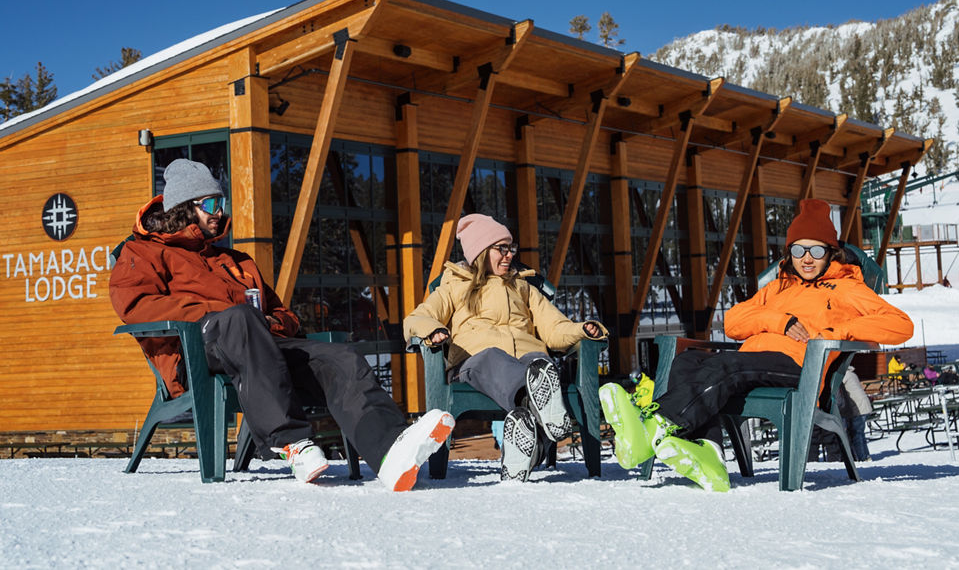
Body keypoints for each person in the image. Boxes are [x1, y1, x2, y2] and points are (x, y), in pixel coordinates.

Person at [110, 159, 454, 489]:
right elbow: (135, 305)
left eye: (221, 202)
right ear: (186, 207)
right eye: (212, 203)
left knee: (340, 358)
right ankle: (293, 443)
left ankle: (390, 450)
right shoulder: (143, 253)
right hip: (198, 353)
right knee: (239, 318)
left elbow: (285, 313)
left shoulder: (235, 261)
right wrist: (216, 312)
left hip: (263, 346)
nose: (220, 212)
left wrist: (274, 320)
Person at [600, 198, 914, 491]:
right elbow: (734, 322)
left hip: (799, 368)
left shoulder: (847, 288)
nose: (807, 259)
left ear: (831, 253)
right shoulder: (776, 289)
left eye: (816, 251)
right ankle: (709, 453)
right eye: (799, 250)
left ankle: (654, 425)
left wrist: (836, 331)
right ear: (789, 252)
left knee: (728, 366)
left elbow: (901, 325)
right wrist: (779, 322)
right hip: (751, 364)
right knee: (688, 361)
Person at [403, 213, 608, 482]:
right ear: (480, 252)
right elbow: (416, 318)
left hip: (527, 359)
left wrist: (581, 330)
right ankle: (540, 400)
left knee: (538, 359)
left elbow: (554, 327)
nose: (509, 255)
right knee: (493, 357)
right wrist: (434, 330)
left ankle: (525, 444)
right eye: (501, 249)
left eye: (511, 248)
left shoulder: (523, 286)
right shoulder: (453, 286)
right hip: (476, 363)